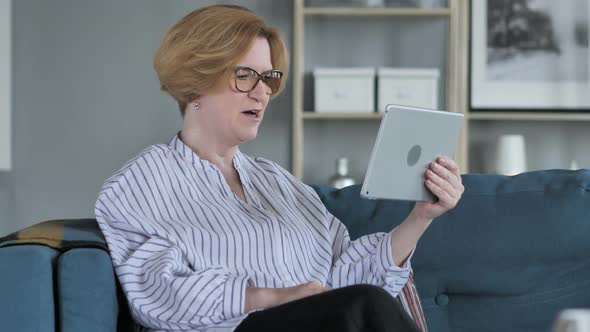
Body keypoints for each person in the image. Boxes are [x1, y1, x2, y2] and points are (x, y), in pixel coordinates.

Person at [95, 4, 464, 332]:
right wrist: (272, 297)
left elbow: (346, 280)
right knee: (360, 306)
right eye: (245, 76)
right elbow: (157, 294)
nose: (262, 93)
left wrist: (421, 216)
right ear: (195, 84)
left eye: (268, 78)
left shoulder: (278, 182)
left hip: (327, 321)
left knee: (361, 304)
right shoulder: (138, 184)